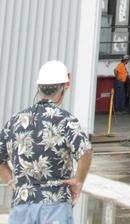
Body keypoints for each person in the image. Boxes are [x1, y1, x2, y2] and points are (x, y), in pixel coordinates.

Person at [0, 59, 92, 220]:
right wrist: (78, 181)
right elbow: (85, 151)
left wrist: (11, 181)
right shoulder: (66, 120)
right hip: (55, 204)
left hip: (22, 206)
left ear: (39, 87)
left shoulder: (15, 121)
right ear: (63, 87)